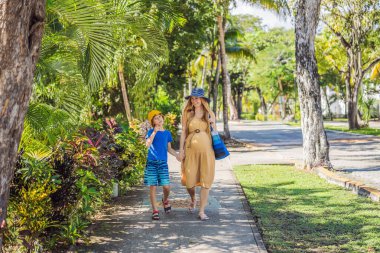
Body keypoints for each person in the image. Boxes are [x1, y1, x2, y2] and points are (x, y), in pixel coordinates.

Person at [179, 88, 216, 221]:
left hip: (207, 151)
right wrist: (181, 150)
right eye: (193, 98)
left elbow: (214, 132)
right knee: (189, 182)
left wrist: (213, 123)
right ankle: (193, 198)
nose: (194, 100)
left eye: (197, 98)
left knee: (205, 180)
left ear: (202, 99)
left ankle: (201, 211)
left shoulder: (209, 113)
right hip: (190, 150)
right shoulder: (187, 114)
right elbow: (183, 132)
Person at [144, 110, 179, 220]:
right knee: (153, 186)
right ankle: (155, 210)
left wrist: (177, 156)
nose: (159, 119)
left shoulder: (167, 133)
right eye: (156, 118)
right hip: (151, 162)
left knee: (166, 186)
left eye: (160, 117)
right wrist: (154, 132)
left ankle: (165, 199)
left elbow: (169, 149)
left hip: (163, 163)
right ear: (153, 122)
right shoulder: (150, 132)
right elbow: (147, 144)